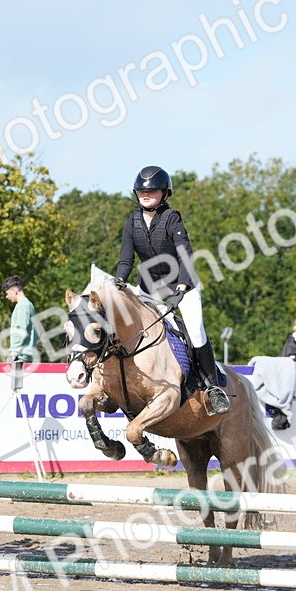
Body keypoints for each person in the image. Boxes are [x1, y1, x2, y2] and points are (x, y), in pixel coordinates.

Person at [113, 165, 229, 414]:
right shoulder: (132, 223)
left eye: (153, 191)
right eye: (142, 191)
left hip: (181, 284)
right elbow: (126, 260)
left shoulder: (172, 218)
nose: (146, 195)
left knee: (195, 332)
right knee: (128, 324)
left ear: (164, 193)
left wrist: (183, 286)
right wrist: (119, 282)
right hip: (150, 288)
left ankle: (212, 387)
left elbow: (185, 254)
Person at [2, 275, 38, 364]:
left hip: (19, 356)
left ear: (14, 290)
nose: (7, 297)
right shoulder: (29, 305)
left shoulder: (23, 306)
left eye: (7, 293)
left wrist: (14, 353)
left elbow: (20, 330)